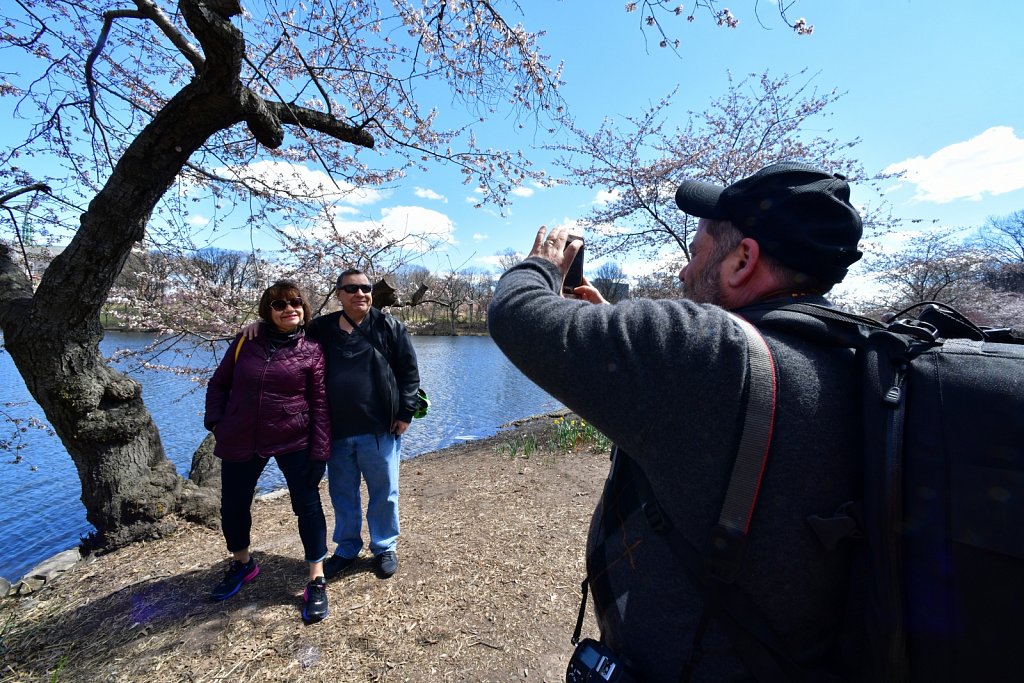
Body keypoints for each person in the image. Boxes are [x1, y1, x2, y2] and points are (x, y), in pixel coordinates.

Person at [488, 162, 865, 681]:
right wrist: (619, 334)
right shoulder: (853, 358)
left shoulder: (706, 349)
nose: (685, 273)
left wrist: (540, 266)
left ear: (742, 262)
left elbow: (516, 316)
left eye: (695, 252)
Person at [204, 280, 332, 624]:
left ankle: (316, 579)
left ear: (304, 309)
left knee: (307, 505)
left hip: (295, 437)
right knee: (233, 504)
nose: (289, 308)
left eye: (295, 303)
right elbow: (219, 383)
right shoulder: (246, 341)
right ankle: (243, 564)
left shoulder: (312, 350)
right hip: (242, 436)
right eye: (279, 304)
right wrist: (217, 422)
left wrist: (320, 452)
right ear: (268, 311)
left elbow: (320, 405)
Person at [308, 268, 421, 580]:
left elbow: (409, 374)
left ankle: (384, 546)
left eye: (366, 288)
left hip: (379, 429)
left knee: (384, 491)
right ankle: (346, 547)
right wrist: (257, 327)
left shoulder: (389, 326)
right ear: (339, 294)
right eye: (352, 289)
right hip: (336, 431)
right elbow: (285, 335)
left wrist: (405, 413)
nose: (360, 294)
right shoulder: (321, 328)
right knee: (342, 493)